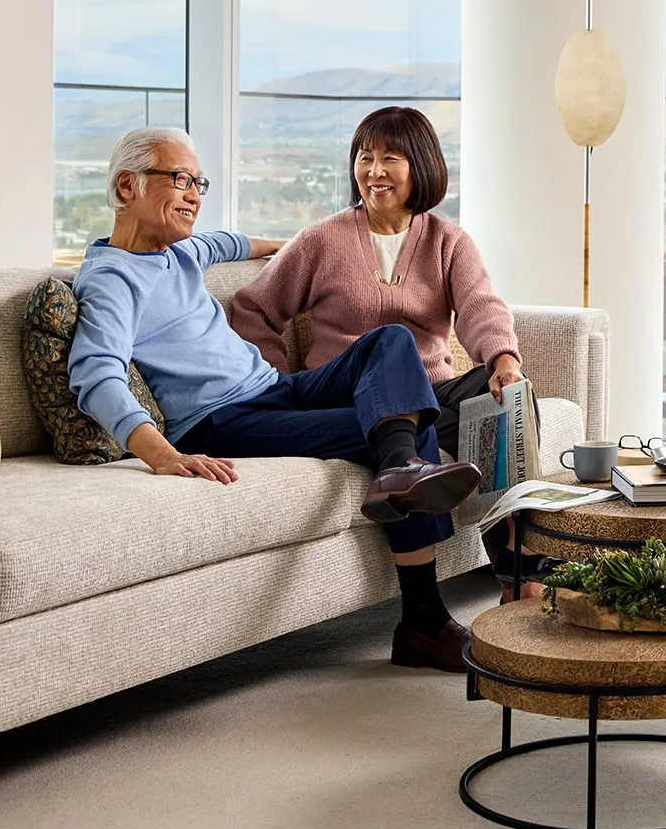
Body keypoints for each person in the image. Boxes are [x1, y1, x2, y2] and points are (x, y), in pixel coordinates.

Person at [69, 125, 485, 673]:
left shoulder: (179, 252)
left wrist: (293, 246)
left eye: (199, 183)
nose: (194, 195)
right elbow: (95, 375)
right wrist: (162, 454)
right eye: (181, 180)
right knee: (405, 425)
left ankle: (400, 469)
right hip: (219, 420)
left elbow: (229, 243)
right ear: (128, 186)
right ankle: (423, 622)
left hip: (273, 388)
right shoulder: (111, 280)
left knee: (390, 341)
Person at [230, 106, 546, 599]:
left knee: (511, 404)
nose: (374, 172)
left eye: (390, 158)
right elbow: (255, 309)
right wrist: (277, 383)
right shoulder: (321, 239)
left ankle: (517, 574)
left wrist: (505, 361)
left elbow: (480, 307)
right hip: (350, 397)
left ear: (420, 166)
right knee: (405, 374)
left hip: (430, 393)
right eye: (365, 157)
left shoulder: (447, 241)